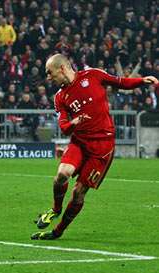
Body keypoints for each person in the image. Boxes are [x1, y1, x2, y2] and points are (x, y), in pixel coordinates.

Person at [31, 54, 158, 240]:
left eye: (50, 73)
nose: (48, 78)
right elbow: (65, 128)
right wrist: (74, 122)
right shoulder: (60, 97)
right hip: (80, 142)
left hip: (102, 147)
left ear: (62, 69)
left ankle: (57, 231)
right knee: (62, 174)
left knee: (78, 192)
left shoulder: (93, 75)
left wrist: (141, 81)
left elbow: (120, 82)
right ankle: (55, 209)